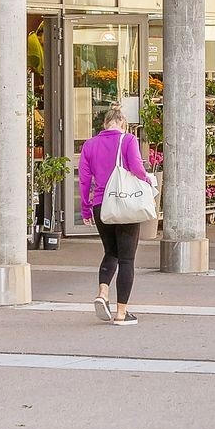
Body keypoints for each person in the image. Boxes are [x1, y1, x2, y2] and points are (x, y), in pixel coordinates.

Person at [77, 106, 152, 326]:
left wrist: (85, 207)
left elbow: (84, 180)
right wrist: (147, 180)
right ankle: (121, 313)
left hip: (102, 206)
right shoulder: (128, 140)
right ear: (122, 123)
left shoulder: (89, 145)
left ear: (105, 124)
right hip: (125, 205)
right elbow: (137, 167)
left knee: (111, 252)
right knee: (127, 259)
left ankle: (102, 293)